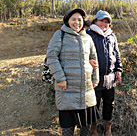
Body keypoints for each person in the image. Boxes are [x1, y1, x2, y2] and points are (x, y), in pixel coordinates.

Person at [46, 8, 99, 136]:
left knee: (86, 129)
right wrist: (60, 78)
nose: (77, 22)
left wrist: (95, 79)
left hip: (86, 91)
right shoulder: (60, 35)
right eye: (73, 19)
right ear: (67, 20)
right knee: (68, 130)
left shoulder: (87, 37)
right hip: (67, 90)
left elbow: (94, 58)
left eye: (80, 20)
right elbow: (52, 57)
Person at [86, 10, 123, 136]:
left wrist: (118, 69)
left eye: (107, 22)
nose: (104, 23)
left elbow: (117, 54)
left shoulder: (112, 36)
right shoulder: (88, 34)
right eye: (101, 20)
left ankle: (107, 127)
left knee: (109, 103)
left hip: (110, 78)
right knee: (93, 104)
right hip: (94, 78)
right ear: (95, 20)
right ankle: (93, 128)